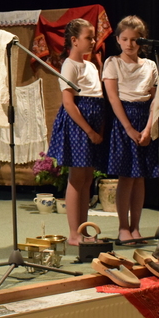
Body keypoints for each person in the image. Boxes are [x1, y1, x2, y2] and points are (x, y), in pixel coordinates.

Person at [102, 15, 159, 244]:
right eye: (125, 39)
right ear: (118, 39)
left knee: (140, 178)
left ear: (142, 41)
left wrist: (148, 129)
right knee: (127, 177)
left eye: (135, 40)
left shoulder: (150, 65)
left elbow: (156, 99)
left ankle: (136, 227)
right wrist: (128, 128)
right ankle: (123, 227)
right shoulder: (113, 63)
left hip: (145, 119)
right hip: (124, 120)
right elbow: (113, 97)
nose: (129, 44)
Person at [47, 19, 105, 246]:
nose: (93, 41)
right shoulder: (69, 65)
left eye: (93, 37)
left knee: (87, 178)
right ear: (74, 40)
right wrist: (89, 130)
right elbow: (69, 103)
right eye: (88, 37)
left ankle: (83, 228)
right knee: (77, 178)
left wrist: (99, 127)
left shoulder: (91, 66)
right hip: (79, 127)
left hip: (93, 124)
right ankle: (74, 233)